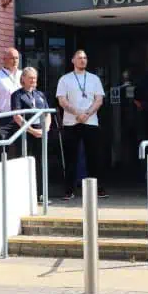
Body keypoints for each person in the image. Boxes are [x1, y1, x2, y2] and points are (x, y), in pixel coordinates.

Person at [56, 50, 107, 199]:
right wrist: (77, 113)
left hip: (91, 122)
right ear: (73, 60)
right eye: (79, 58)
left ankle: (98, 189)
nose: (82, 60)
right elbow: (62, 101)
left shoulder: (94, 79)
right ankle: (69, 190)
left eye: (85, 58)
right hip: (71, 122)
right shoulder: (65, 79)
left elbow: (99, 100)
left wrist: (86, 114)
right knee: (71, 157)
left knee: (94, 157)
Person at [10, 67, 51, 202]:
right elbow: (17, 116)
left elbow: (47, 113)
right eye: (30, 77)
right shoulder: (17, 95)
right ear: (23, 79)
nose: (33, 80)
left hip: (41, 133)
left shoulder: (40, 94)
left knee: (41, 163)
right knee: (26, 162)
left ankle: (41, 194)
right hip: (26, 134)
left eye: (35, 77)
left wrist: (45, 129)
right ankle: (26, 195)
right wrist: (32, 131)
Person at [0, 49, 23, 159]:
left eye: (17, 58)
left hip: (21, 118)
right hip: (3, 118)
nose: (15, 61)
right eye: (12, 58)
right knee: (2, 150)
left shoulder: (22, 75)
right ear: (4, 59)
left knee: (21, 149)